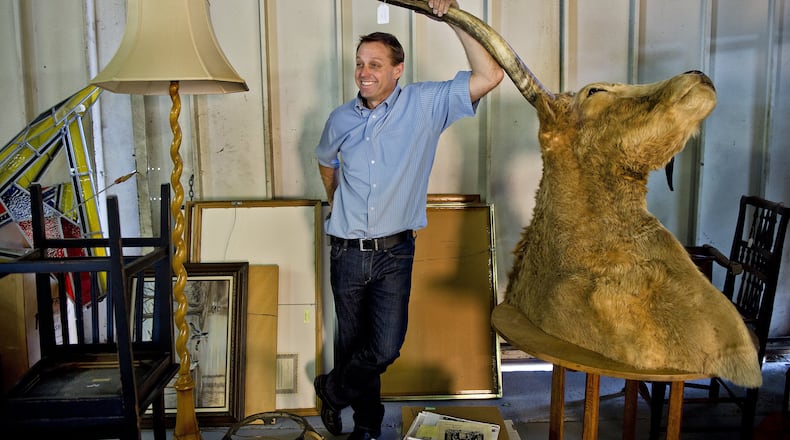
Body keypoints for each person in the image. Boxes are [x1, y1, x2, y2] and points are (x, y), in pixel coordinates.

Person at [313, 1, 503, 439]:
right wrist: (336, 199)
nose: (364, 72)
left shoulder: (424, 105)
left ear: (398, 70)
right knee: (351, 344)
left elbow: (490, 76)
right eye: (360, 64)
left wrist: (451, 15)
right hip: (345, 250)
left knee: (382, 348)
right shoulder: (340, 118)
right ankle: (365, 427)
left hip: (394, 252)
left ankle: (331, 389)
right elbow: (326, 161)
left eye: (375, 65)